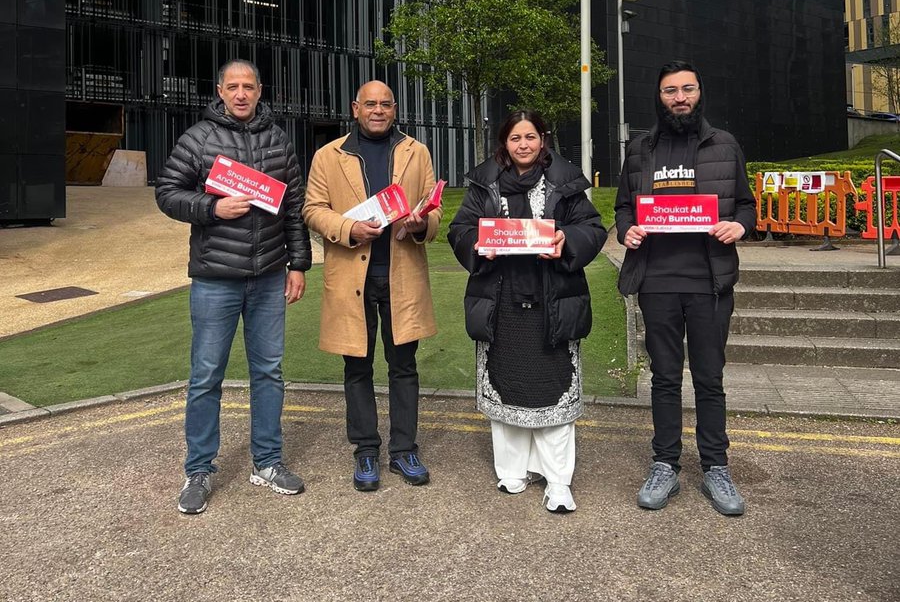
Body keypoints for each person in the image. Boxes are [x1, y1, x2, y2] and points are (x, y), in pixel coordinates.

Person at [156, 60, 311, 515]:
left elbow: (294, 208)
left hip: (268, 277)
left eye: (249, 87)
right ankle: (199, 470)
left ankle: (267, 461)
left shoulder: (279, 140)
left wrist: (298, 264)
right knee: (206, 377)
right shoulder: (197, 138)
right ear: (220, 91)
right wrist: (210, 208)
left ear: (260, 91)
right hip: (214, 279)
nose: (241, 94)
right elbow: (167, 192)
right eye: (233, 87)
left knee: (269, 373)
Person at [614, 61, 757, 517]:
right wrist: (627, 232)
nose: (680, 97)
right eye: (670, 90)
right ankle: (665, 463)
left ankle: (716, 466)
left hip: (709, 281)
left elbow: (747, 207)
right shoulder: (639, 150)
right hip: (657, 280)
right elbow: (622, 208)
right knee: (664, 378)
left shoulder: (725, 145)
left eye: (687, 89)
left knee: (710, 379)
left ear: (699, 93)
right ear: (659, 97)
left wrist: (739, 226)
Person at [447, 111, 607, 513]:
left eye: (530, 136)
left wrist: (565, 239)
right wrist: (477, 245)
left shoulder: (566, 182)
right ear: (505, 142)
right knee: (507, 383)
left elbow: (593, 228)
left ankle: (558, 481)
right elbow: (460, 229)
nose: (523, 144)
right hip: (499, 300)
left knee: (552, 388)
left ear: (542, 140)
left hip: (552, 299)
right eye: (515, 137)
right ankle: (512, 470)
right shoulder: (484, 184)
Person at [302, 81, 441, 492]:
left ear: (394, 109)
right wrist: (348, 227)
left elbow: (432, 217)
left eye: (385, 104)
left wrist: (420, 224)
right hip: (352, 277)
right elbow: (312, 209)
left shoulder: (417, 152)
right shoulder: (329, 156)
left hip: (402, 277)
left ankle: (404, 450)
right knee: (356, 367)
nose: (377, 110)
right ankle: (365, 449)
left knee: (404, 367)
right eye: (370, 104)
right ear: (355, 107)